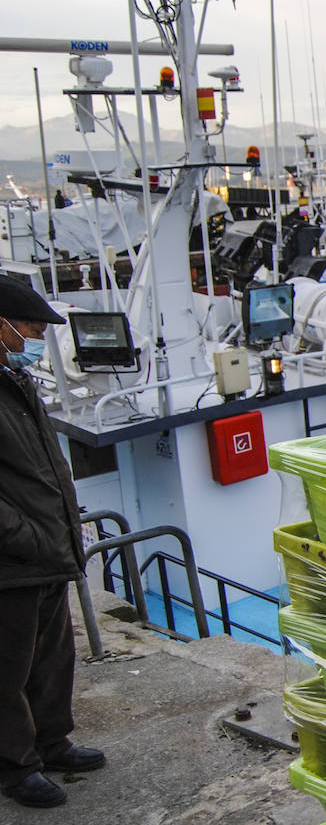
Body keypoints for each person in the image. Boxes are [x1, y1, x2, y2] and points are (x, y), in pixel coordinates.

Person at [0, 277, 106, 809]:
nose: (36, 336)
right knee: (8, 668)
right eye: (29, 327)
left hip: (47, 551)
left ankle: (52, 741)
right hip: (15, 560)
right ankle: (17, 768)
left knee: (52, 658)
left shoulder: (16, 383)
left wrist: (63, 527)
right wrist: (30, 537)